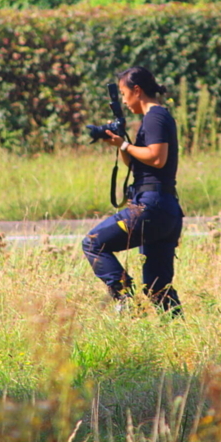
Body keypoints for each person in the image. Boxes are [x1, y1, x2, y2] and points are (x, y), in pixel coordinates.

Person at [82, 66, 183, 313]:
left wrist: (125, 145)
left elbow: (157, 158)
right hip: (165, 209)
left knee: (93, 243)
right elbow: (138, 162)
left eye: (123, 93)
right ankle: (176, 330)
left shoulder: (155, 117)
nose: (124, 101)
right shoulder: (156, 117)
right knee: (157, 288)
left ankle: (125, 299)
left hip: (151, 206)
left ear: (137, 90)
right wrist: (119, 143)